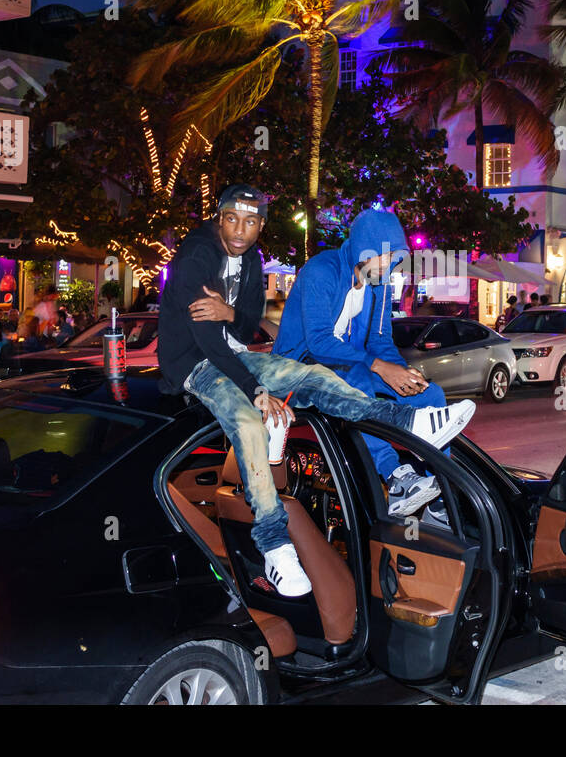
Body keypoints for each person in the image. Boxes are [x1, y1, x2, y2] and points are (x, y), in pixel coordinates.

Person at [160, 185, 474, 597]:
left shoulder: (257, 259)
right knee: (256, 420)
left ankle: (422, 458)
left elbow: (245, 324)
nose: (241, 229)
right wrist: (255, 389)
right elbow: (216, 341)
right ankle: (275, 541)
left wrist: (400, 372)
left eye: (252, 221)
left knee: (385, 389)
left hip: (251, 356)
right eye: (233, 219)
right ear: (218, 217)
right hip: (207, 363)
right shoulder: (208, 257)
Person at [272, 208, 450, 519]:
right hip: (297, 370)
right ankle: (396, 479)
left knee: (430, 395)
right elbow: (318, 341)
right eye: (387, 257)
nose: (392, 266)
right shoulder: (321, 271)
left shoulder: (378, 284)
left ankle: (443, 489)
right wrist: (379, 367)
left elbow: (381, 344)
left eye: (396, 258)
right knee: (360, 378)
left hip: (350, 366)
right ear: (365, 249)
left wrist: (401, 373)